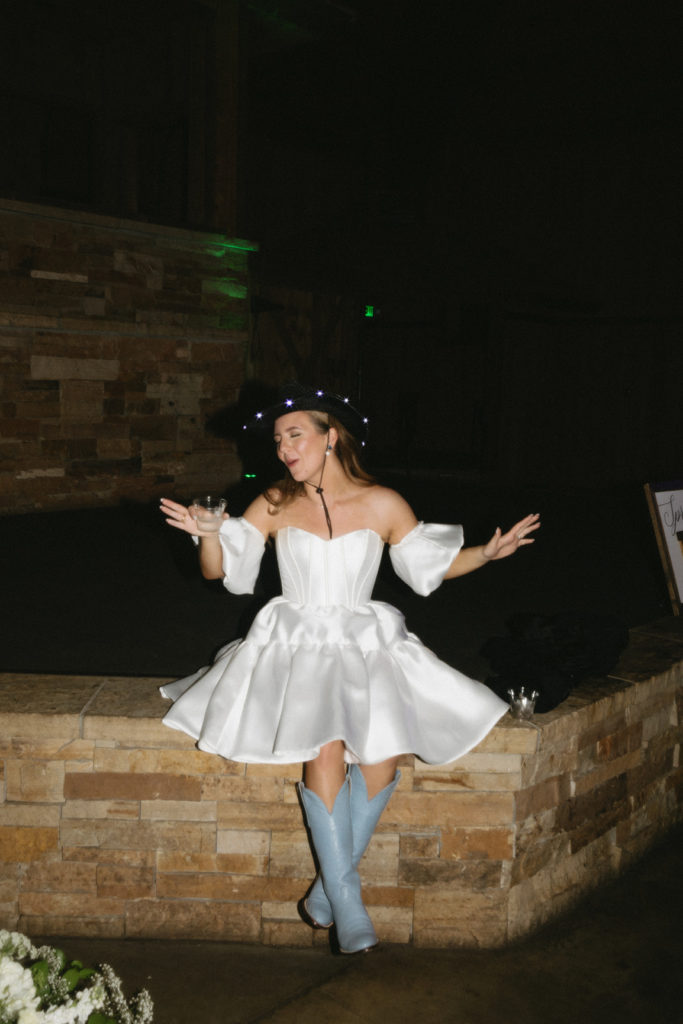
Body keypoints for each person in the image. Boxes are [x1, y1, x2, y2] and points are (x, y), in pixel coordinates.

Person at [159, 384, 540, 955]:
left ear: (330, 435)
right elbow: (220, 572)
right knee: (327, 745)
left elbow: (426, 567)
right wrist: (210, 536)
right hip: (299, 641)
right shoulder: (274, 502)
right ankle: (347, 900)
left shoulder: (383, 502)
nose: (285, 448)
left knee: (384, 760)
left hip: (363, 640)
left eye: (296, 434)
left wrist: (484, 555)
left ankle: (325, 893)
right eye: (278, 440)